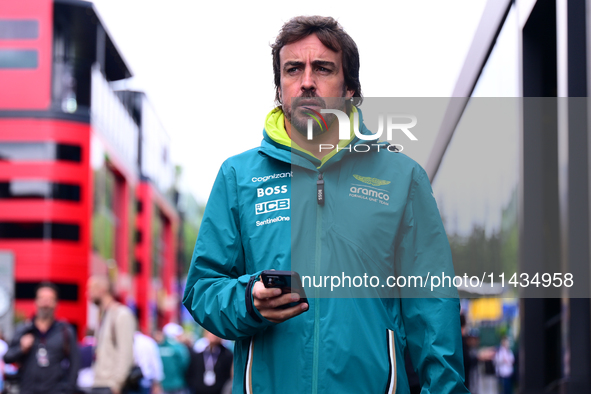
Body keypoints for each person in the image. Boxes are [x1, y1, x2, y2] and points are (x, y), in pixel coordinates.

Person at [183, 15, 468, 393]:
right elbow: (202, 289)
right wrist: (249, 301)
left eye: (322, 68)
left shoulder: (402, 178)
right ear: (280, 89)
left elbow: (433, 306)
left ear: (349, 88)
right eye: (293, 69)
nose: (306, 82)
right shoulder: (238, 176)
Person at [4, 282, 80, 394]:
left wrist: (69, 388)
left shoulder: (65, 331)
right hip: (28, 389)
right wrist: (21, 348)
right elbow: (7, 358)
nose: (45, 303)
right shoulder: (24, 329)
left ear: (56, 303)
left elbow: (75, 362)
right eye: (42, 298)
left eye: (49, 299)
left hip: (56, 390)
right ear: (36, 301)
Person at [87, 275, 135, 394]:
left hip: (110, 385)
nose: (87, 294)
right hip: (100, 383)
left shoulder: (121, 314)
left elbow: (126, 352)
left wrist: (117, 384)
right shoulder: (105, 315)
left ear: (102, 290)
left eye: (90, 290)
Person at [156, 324, 189, 394]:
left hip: (163, 385)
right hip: (178, 384)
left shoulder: (158, 347)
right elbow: (185, 364)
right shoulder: (179, 348)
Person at [129, 330, 163, 394]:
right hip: (146, 377)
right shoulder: (148, 341)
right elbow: (155, 362)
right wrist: (157, 381)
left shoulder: (129, 341)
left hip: (132, 377)